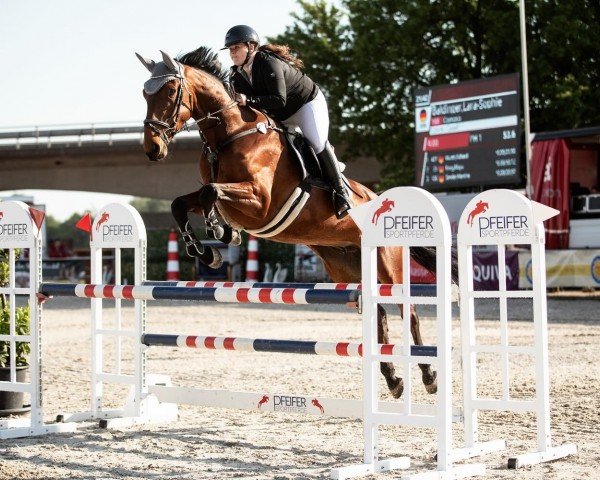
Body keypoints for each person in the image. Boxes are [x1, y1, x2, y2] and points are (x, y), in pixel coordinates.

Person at [223, 25, 352, 219]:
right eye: (230, 49)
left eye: (236, 48)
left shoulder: (268, 63)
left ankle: (341, 192)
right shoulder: (236, 75)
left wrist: (248, 100)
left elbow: (278, 99)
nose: (232, 53)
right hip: (280, 114)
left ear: (251, 46)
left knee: (316, 142)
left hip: (305, 104)